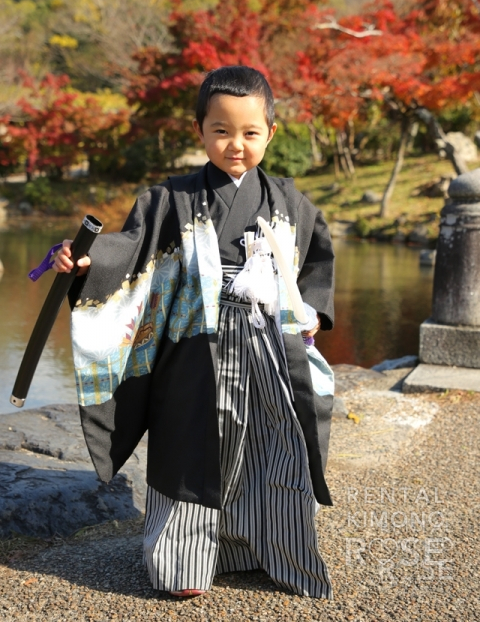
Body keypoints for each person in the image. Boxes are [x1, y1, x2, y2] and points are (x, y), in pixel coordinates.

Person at [53, 66, 335, 599]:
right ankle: (183, 560)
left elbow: (316, 263)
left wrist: (314, 310)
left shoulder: (291, 201)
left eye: (250, 133)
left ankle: (266, 548)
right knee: (188, 445)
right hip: (190, 349)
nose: (236, 145)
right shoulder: (168, 199)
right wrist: (87, 263)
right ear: (199, 131)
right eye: (221, 131)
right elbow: (128, 252)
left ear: (271, 133)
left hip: (266, 345)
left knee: (271, 443)